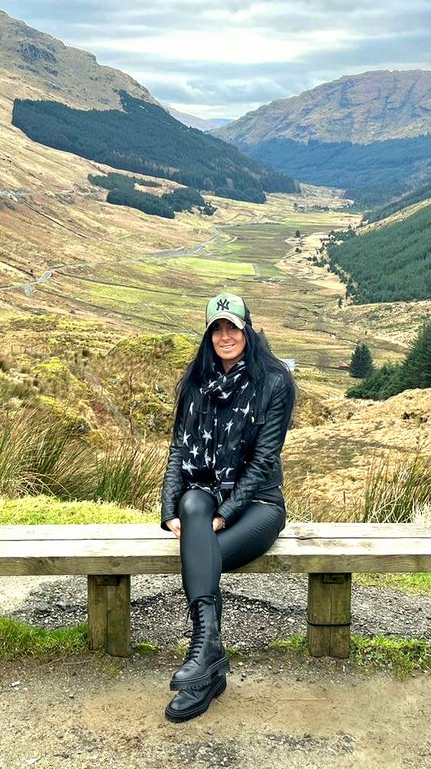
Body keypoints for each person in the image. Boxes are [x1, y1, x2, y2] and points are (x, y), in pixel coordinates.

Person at [159, 292, 296, 722]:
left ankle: (205, 665)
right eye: (216, 329)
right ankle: (209, 657)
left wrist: (226, 513)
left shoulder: (273, 382)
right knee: (191, 501)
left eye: (232, 327)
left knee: (203, 554)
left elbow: (264, 459)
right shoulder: (196, 382)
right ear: (208, 335)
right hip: (205, 494)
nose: (225, 336)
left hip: (258, 503)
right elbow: (179, 450)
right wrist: (169, 510)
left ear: (247, 329)